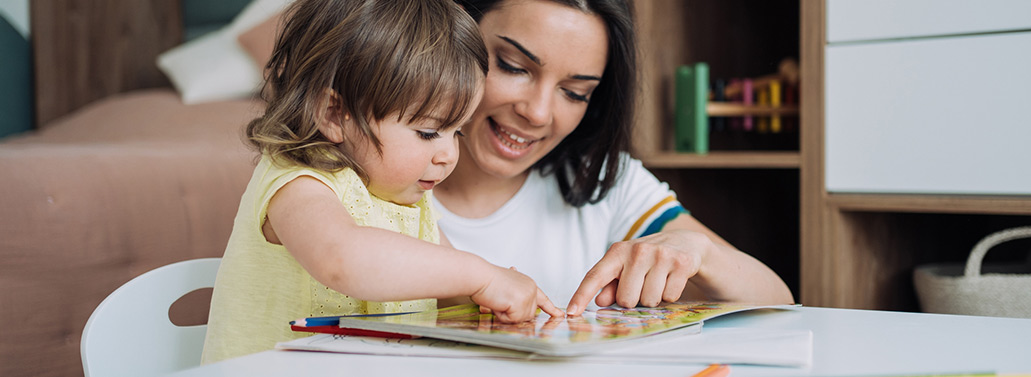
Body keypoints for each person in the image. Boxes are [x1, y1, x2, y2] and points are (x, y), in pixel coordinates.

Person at [201, 0, 561, 364]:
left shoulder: (406, 201)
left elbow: (451, 285)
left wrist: (490, 300)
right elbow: (342, 258)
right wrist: (480, 276)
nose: (448, 155)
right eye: (428, 132)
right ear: (333, 114)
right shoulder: (298, 182)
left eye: (458, 133)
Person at [434, 0, 795, 316]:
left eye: (575, 93)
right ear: (456, 32)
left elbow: (778, 303)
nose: (539, 113)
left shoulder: (602, 179)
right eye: (514, 67)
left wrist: (702, 255)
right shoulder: (382, 176)